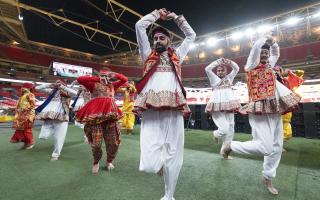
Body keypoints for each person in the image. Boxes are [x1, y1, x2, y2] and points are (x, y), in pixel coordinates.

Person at [223, 35, 301, 195]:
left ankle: (267, 176)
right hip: (259, 109)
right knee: (265, 147)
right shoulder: (251, 65)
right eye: (262, 52)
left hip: (275, 108)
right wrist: (263, 38)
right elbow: (255, 50)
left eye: (266, 53)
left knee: (277, 146)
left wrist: (272, 42)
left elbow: (276, 52)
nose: (265, 55)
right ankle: (231, 145)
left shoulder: (270, 65)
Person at [134, 8, 196, 200]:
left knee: (174, 152)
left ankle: (169, 195)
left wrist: (177, 19)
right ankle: (158, 163)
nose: (158, 41)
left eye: (162, 38)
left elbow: (191, 35)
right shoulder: (147, 54)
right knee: (149, 159)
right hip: (151, 105)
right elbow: (139, 26)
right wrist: (155, 15)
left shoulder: (177, 54)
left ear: (169, 40)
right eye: (156, 38)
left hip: (174, 106)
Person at [76, 70, 128, 173]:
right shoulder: (93, 84)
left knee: (114, 142)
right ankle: (96, 162)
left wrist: (115, 74)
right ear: (99, 76)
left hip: (111, 117)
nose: (105, 78)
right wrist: (98, 79)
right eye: (102, 75)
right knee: (96, 144)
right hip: (96, 119)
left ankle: (109, 161)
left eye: (106, 76)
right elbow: (80, 79)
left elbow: (125, 79)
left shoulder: (113, 85)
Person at [204, 58, 240, 159]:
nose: (220, 72)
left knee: (231, 129)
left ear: (226, 71)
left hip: (229, 105)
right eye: (218, 70)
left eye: (222, 70)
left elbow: (236, 68)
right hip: (216, 106)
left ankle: (225, 152)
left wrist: (228, 62)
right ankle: (216, 134)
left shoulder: (229, 78)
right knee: (224, 129)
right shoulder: (214, 78)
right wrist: (218, 62)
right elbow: (207, 69)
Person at [35, 80, 77, 161]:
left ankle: (56, 154)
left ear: (63, 85)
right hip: (49, 115)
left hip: (62, 117)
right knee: (43, 136)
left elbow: (74, 93)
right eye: (57, 83)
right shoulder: (52, 92)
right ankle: (53, 132)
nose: (57, 84)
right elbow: (37, 88)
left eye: (59, 83)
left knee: (59, 138)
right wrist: (50, 84)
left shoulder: (67, 92)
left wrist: (62, 87)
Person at [10, 82, 36, 149]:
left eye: (24, 87)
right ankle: (26, 144)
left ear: (28, 88)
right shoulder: (22, 96)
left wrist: (22, 110)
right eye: (22, 87)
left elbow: (32, 105)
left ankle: (30, 143)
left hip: (28, 115)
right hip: (22, 116)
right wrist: (13, 109)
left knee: (27, 129)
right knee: (21, 130)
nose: (22, 88)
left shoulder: (30, 95)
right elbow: (19, 106)